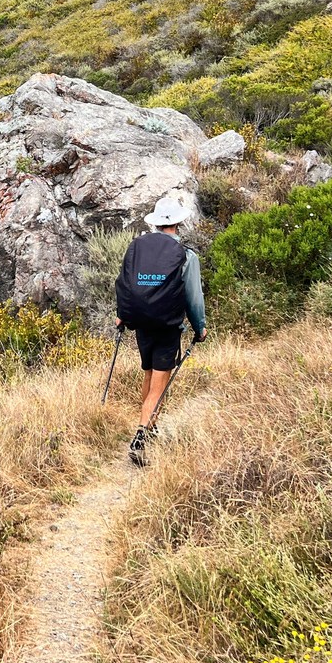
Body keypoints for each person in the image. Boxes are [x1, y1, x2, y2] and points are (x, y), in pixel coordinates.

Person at [114, 195, 206, 466]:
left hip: (140, 321)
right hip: (167, 325)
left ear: (155, 223)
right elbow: (193, 297)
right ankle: (141, 436)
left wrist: (122, 315)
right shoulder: (186, 255)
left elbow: (124, 282)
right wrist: (199, 326)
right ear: (178, 222)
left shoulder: (137, 247)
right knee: (160, 382)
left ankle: (150, 426)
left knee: (149, 374)